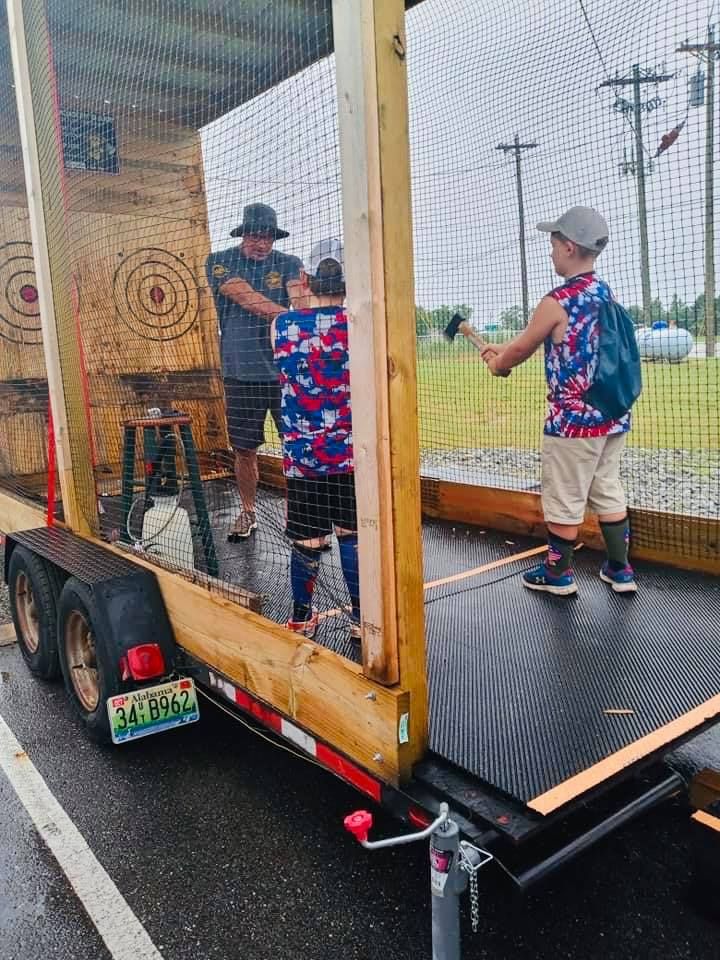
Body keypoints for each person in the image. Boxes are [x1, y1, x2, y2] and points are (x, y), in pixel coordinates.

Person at [482, 206, 637, 596]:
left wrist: (498, 363)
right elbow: (549, 342)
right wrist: (506, 350)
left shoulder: (556, 301)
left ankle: (558, 575)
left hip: (573, 424)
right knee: (607, 488)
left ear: (569, 247)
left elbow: (519, 352)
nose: (550, 253)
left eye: (553, 245)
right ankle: (620, 571)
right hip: (612, 415)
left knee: (565, 497)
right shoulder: (605, 293)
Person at [270, 239, 360, 640]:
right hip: (350, 457)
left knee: (307, 539)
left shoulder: (282, 325)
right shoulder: (359, 323)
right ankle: (362, 621)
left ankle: (302, 617)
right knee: (352, 536)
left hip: (304, 458)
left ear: (305, 279)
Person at [206, 203, 302, 541]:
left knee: (298, 445)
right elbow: (246, 297)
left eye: (268, 238)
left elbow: (300, 298)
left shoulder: (290, 263)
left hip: (285, 373)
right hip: (240, 372)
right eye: (255, 236)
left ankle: (301, 514)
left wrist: (307, 313)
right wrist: (290, 318)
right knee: (244, 449)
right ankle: (248, 512)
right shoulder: (220, 261)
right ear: (243, 233)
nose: (261, 244)